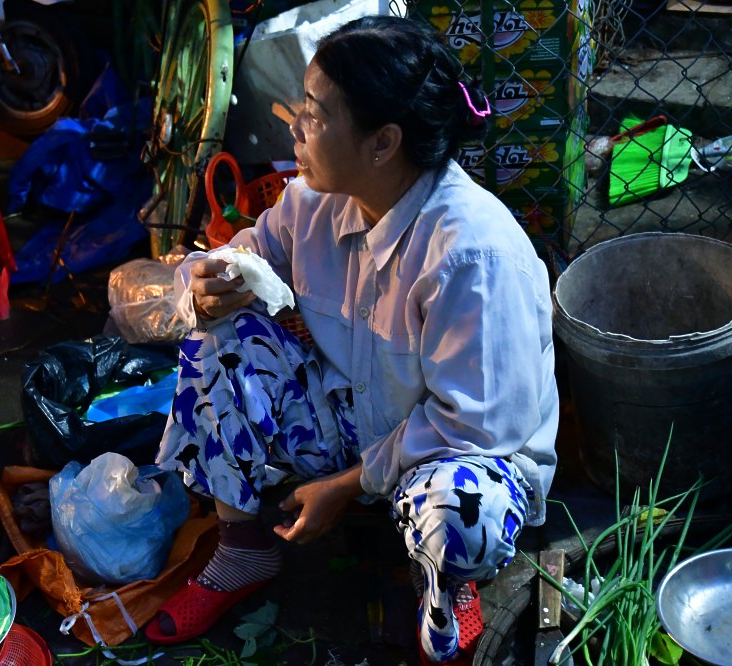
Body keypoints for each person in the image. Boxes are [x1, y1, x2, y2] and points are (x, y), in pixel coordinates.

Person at [144, 15, 559, 665]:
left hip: (458, 451)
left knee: (462, 513)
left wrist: (344, 486)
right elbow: (246, 254)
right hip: (355, 416)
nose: (295, 126)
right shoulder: (313, 201)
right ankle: (243, 549)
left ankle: (447, 584)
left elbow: (477, 427)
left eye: (314, 113)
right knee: (219, 333)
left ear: (382, 142)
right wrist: (206, 282)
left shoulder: (471, 255)